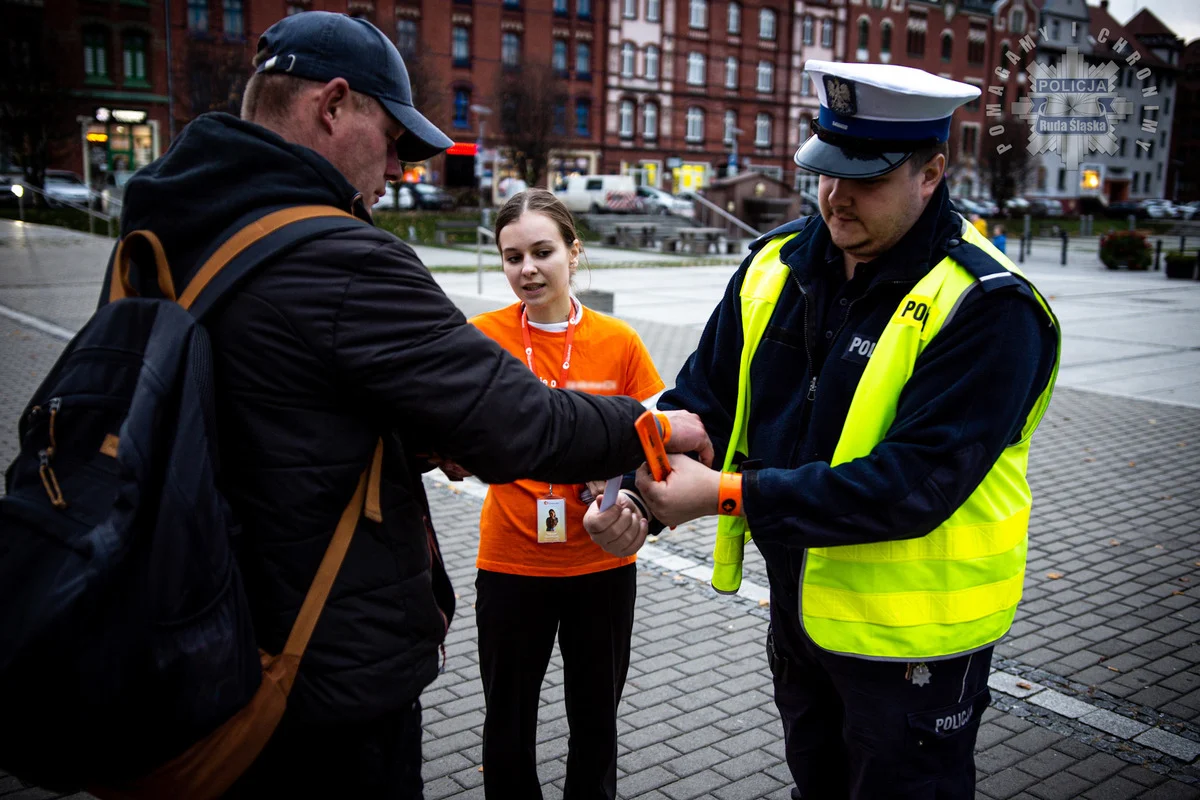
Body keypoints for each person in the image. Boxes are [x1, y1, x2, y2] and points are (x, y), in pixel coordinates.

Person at [111, 12, 708, 797]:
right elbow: (521, 422)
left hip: (195, 634)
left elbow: (278, 404)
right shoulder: (337, 256)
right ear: (333, 105)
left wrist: (418, 440)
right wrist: (656, 426)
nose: (399, 168)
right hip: (319, 664)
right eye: (394, 139)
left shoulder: (167, 230)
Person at [595, 60, 1061, 798]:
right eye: (825, 170)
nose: (836, 196)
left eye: (865, 178)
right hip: (803, 617)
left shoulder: (989, 306)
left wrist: (721, 494)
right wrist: (634, 494)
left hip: (914, 648)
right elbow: (702, 402)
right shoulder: (775, 264)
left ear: (931, 173)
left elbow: (909, 487)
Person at [469, 189, 664, 800]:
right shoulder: (480, 339)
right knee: (507, 719)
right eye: (512, 257)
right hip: (511, 561)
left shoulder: (620, 341)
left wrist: (620, 474)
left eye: (542, 252)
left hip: (600, 564)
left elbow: (657, 444)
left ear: (573, 252)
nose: (527, 269)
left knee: (597, 718)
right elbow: (458, 438)